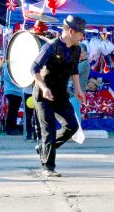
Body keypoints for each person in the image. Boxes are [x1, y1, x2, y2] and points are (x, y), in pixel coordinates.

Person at [31, 15, 86, 177]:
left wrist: (78, 90)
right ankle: (48, 167)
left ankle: (44, 149)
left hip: (61, 93)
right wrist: (43, 87)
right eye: (80, 33)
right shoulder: (51, 47)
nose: (82, 36)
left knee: (72, 126)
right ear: (70, 31)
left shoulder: (76, 49)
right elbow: (33, 69)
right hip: (44, 94)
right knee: (49, 131)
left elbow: (74, 69)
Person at [68, 42, 90, 120]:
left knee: (75, 112)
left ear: (86, 53)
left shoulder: (85, 63)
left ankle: (78, 131)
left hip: (77, 92)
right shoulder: (79, 63)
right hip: (73, 92)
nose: (78, 54)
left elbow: (72, 73)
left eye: (81, 52)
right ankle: (76, 131)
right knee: (73, 112)